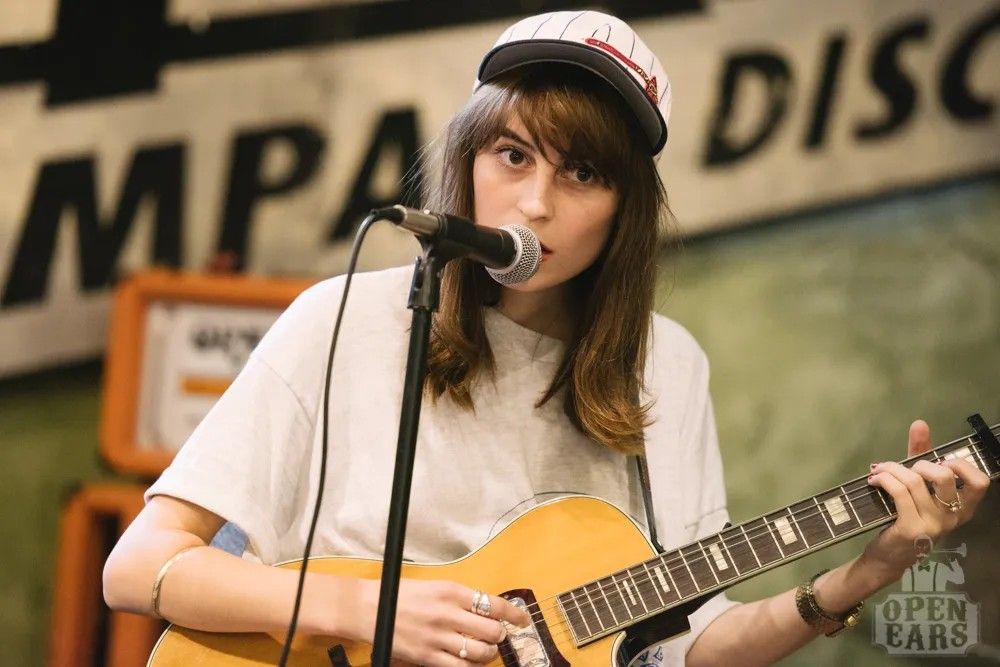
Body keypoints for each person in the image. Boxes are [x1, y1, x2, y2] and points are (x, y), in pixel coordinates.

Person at [103, 10, 991, 667]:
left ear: (624, 213)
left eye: (584, 172)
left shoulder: (667, 368)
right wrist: (365, 611)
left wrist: (856, 579)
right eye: (513, 156)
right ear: (466, 164)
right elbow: (139, 566)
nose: (534, 204)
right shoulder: (345, 319)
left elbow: (681, 648)